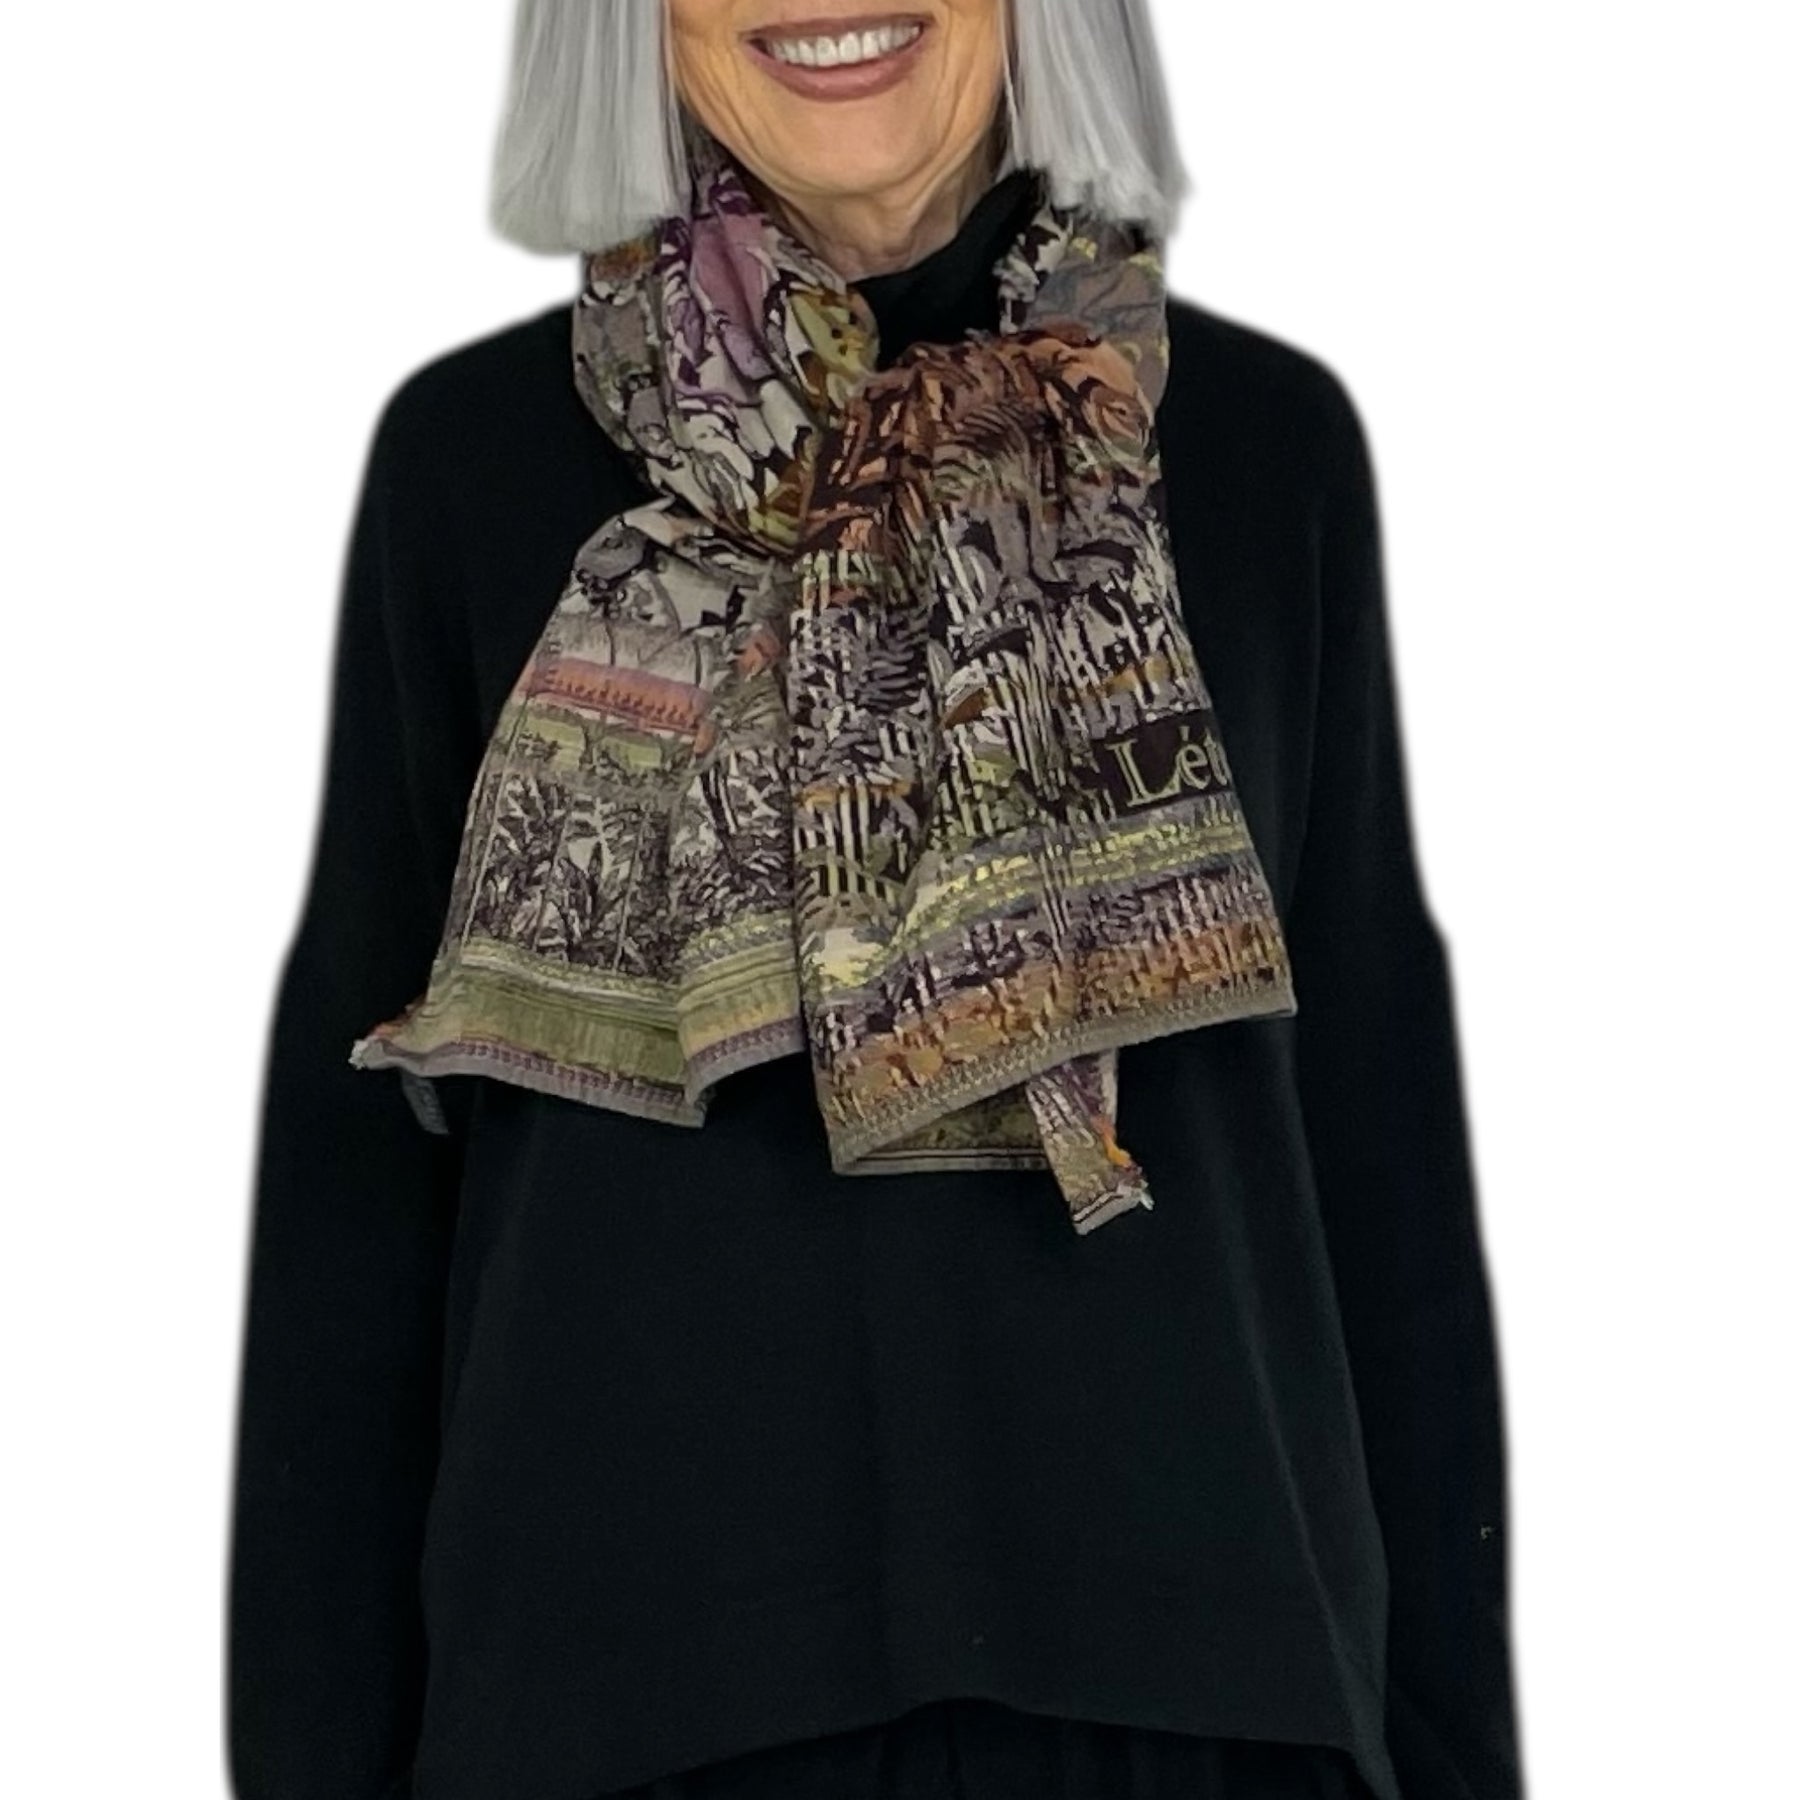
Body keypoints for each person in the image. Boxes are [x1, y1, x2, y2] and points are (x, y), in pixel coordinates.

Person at [226, 2, 1526, 1797]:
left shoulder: (1259, 453)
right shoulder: (471, 468)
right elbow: (359, 1207)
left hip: (1197, 1714)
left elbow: (1373, 1143)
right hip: (620, 1723)